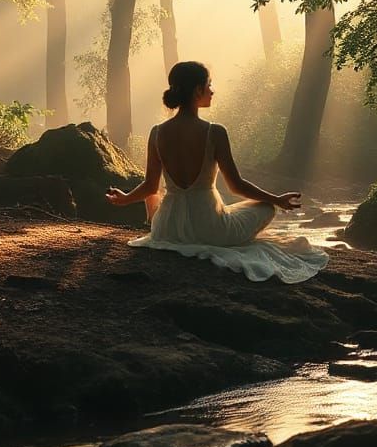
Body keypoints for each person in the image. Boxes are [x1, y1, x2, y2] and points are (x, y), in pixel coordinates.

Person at [105, 61, 328, 283]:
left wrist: (125, 199)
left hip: (166, 229)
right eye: (209, 85)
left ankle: (156, 223)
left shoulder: (157, 132)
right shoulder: (215, 132)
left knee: (158, 193)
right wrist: (276, 199)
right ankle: (241, 217)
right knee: (266, 208)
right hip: (210, 229)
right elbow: (236, 186)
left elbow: (150, 186)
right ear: (197, 90)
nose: (212, 91)